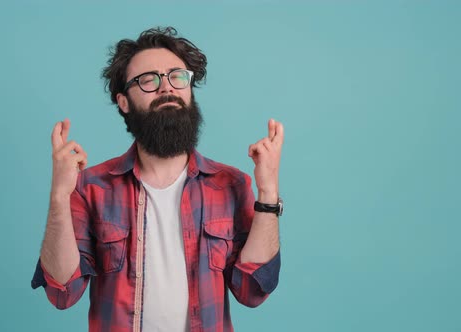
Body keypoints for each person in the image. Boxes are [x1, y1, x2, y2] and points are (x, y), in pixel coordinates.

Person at [31, 27, 284, 332]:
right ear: (123, 101)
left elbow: (253, 291)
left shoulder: (231, 184)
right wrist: (59, 197)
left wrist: (268, 193)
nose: (167, 88)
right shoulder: (91, 188)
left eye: (177, 76)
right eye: (148, 80)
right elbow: (62, 292)